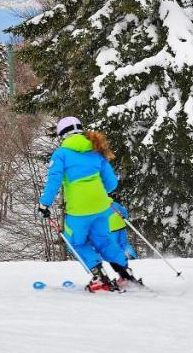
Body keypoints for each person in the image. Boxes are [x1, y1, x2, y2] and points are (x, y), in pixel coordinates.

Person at [38, 117, 136, 291]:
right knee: (104, 240)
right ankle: (125, 274)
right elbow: (112, 184)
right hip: (101, 206)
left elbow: (54, 180)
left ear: (62, 134)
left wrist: (44, 204)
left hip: (79, 210)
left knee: (76, 242)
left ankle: (99, 276)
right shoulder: (96, 150)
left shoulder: (61, 153)